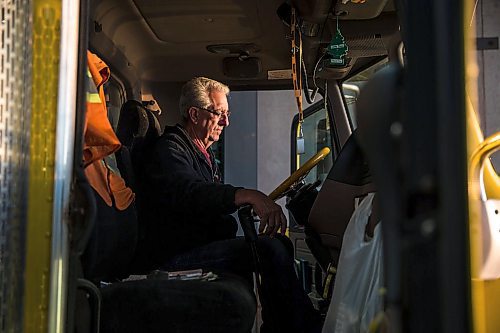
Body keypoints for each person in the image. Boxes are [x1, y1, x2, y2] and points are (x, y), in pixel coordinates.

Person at [141, 77, 321, 333]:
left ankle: (285, 325)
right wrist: (245, 195)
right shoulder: (171, 149)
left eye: (227, 113)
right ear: (194, 114)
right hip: (176, 254)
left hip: (197, 244)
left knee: (277, 243)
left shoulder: (202, 153)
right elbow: (190, 193)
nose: (226, 122)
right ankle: (302, 327)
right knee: (270, 249)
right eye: (219, 113)